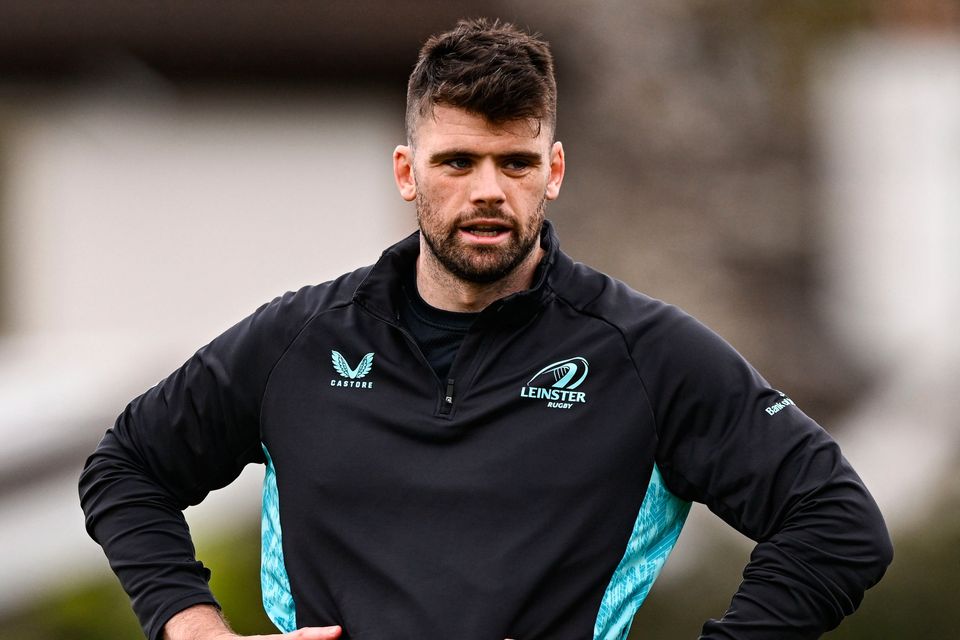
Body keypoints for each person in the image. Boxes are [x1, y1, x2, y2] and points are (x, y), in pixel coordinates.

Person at [79, 17, 892, 640]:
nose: (489, 192)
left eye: (516, 163)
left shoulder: (646, 355)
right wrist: (189, 622)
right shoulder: (298, 340)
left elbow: (838, 523)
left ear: (555, 171)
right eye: (457, 162)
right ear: (408, 173)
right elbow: (126, 467)